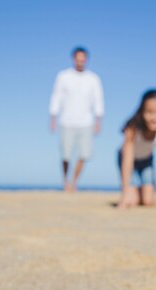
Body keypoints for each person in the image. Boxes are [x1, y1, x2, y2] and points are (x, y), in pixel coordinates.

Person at [49, 47, 104, 191]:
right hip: (66, 120)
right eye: (78, 58)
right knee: (66, 155)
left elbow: (98, 100)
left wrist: (99, 121)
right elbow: (56, 96)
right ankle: (65, 180)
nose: (80, 61)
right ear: (74, 59)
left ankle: (74, 182)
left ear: (86, 59)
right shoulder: (63, 76)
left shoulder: (93, 78)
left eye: (83, 58)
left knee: (84, 154)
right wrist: (53, 117)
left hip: (86, 121)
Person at [118, 90, 156, 209]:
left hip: (146, 160)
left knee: (148, 201)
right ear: (142, 112)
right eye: (149, 112)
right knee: (131, 201)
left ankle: (141, 190)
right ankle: (131, 191)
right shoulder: (132, 128)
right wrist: (124, 196)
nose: (154, 117)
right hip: (127, 160)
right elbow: (127, 160)